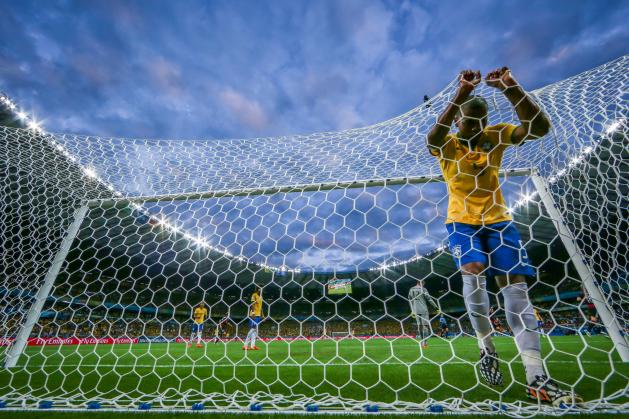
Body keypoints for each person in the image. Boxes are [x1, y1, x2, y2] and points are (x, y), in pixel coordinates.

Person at [426, 67, 579, 405]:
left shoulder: (495, 135)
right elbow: (432, 138)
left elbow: (539, 128)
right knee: (474, 270)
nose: (475, 128)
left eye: (480, 123)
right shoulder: (448, 145)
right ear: (458, 121)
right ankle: (486, 345)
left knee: (516, 287)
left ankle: (536, 377)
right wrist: (460, 96)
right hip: (461, 222)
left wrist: (511, 89)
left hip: (498, 220)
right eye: (469, 122)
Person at [408, 279, 439, 348]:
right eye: (423, 283)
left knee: (419, 326)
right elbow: (429, 299)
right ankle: (425, 342)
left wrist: (412, 310)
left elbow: (410, 300)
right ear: (422, 283)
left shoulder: (411, 289)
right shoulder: (423, 289)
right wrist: (436, 307)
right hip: (423, 309)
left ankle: (422, 341)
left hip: (415, 310)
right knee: (425, 326)